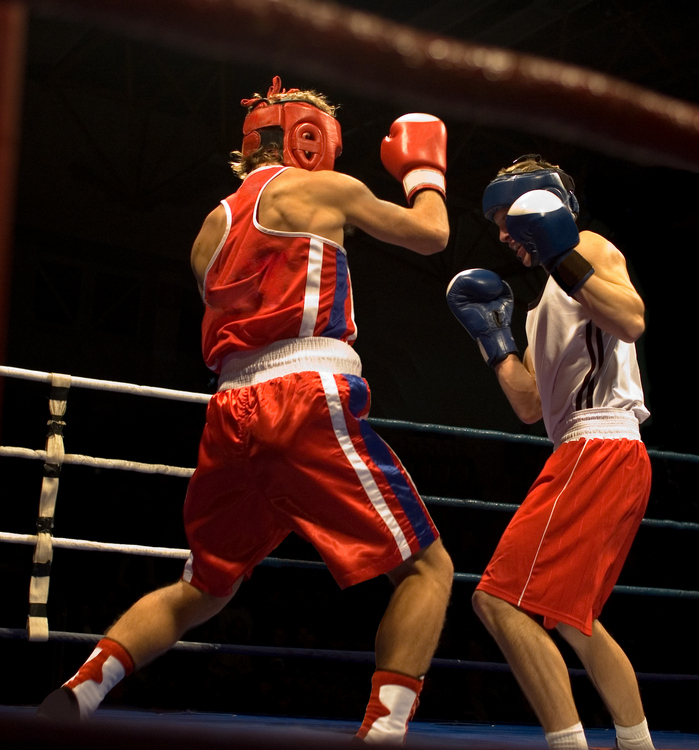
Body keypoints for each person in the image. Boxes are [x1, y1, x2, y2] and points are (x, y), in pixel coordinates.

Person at [38, 76, 454, 744]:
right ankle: (383, 735)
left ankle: (79, 691)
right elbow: (432, 236)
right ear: (309, 139)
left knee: (204, 586)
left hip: (229, 410)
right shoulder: (323, 189)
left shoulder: (210, 227)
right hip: (305, 397)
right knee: (428, 570)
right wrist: (424, 170)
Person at [446, 155, 654, 750]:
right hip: (592, 451)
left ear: (545, 204)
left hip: (599, 445)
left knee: (497, 602)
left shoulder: (589, 248)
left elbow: (633, 319)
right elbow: (530, 405)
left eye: (509, 220)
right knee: (571, 618)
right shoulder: (542, 308)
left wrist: (568, 255)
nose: (505, 235)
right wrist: (495, 340)